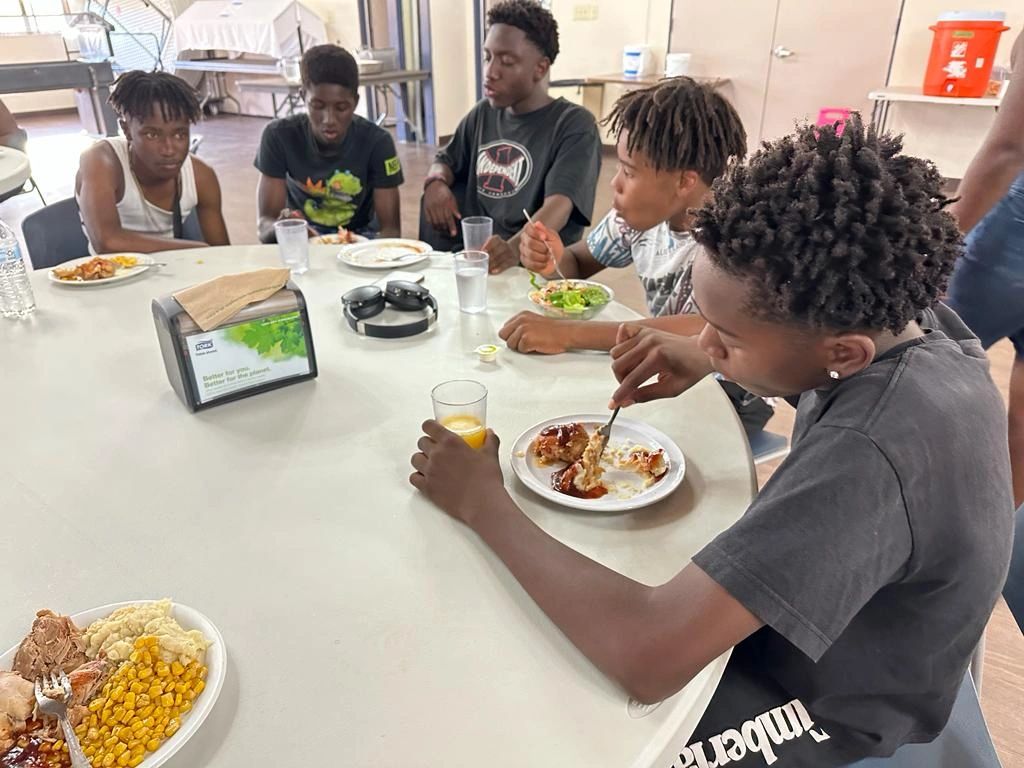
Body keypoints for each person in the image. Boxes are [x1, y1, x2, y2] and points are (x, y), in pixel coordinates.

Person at [409, 118, 1014, 766]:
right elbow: (828, 368)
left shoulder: (870, 452)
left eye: (725, 335)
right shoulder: (910, 320)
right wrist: (720, 358)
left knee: (571, 726)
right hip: (840, 628)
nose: (702, 343)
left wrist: (484, 502)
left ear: (842, 351)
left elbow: (649, 652)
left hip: (831, 702)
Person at [501, 76, 746, 354]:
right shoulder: (640, 219)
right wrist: (552, 259)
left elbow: (703, 330)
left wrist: (570, 334)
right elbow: (578, 264)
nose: (614, 183)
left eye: (629, 172)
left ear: (684, 182)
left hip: (723, 388)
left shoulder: (730, 240)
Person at [420, 0, 601, 273]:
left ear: (540, 68)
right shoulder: (483, 114)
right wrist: (435, 183)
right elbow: (445, 159)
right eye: (487, 57)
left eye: (506, 61)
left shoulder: (573, 124)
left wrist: (514, 249)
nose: (490, 72)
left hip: (532, 269)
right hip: (478, 261)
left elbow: (560, 204)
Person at [947, 31, 1024, 507]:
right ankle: (998, 543)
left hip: (1014, 241)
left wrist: (928, 246)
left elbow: (1009, 149)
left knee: (905, 367)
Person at [255, 44, 403, 243]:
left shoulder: (377, 142)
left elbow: (391, 231)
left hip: (360, 237)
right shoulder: (279, 136)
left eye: (341, 107)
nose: (329, 119)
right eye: (318, 106)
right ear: (302, 97)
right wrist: (284, 228)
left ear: (356, 102)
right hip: (300, 240)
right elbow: (265, 224)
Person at [76, 71, 229, 254]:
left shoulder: (201, 176)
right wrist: (198, 249)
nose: (169, 149)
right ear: (127, 130)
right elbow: (107, 242)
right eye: (152, 134)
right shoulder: (101, 161)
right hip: (111, 278)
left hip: (174, 274)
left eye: (180, 134)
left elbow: (223, 255)